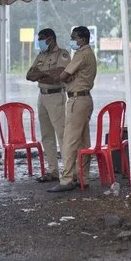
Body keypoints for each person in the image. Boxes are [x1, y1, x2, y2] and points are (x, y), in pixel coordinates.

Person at [48, 26, 97, 192]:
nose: (72, 40)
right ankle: (83, 178)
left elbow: (64, 75)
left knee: (69, 141)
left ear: (82, 39)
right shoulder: (89, 54)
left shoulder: (81, 54)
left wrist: (49, 75)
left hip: (77, 100)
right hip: (85, 99)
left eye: (73, 37)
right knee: (83, 142)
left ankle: (67, 179)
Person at [26, 28, 71, 182]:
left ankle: (69, 172)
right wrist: (47, 75)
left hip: (56, 95)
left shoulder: (62, 54)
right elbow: (29, 75)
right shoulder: (41, 55)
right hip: (42, 96)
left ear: (50, 39)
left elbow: (59, 76)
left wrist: (41, 74)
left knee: (62, 135)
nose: (40, 42)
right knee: (47, 136)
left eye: (42, 39)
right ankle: (53, 171)